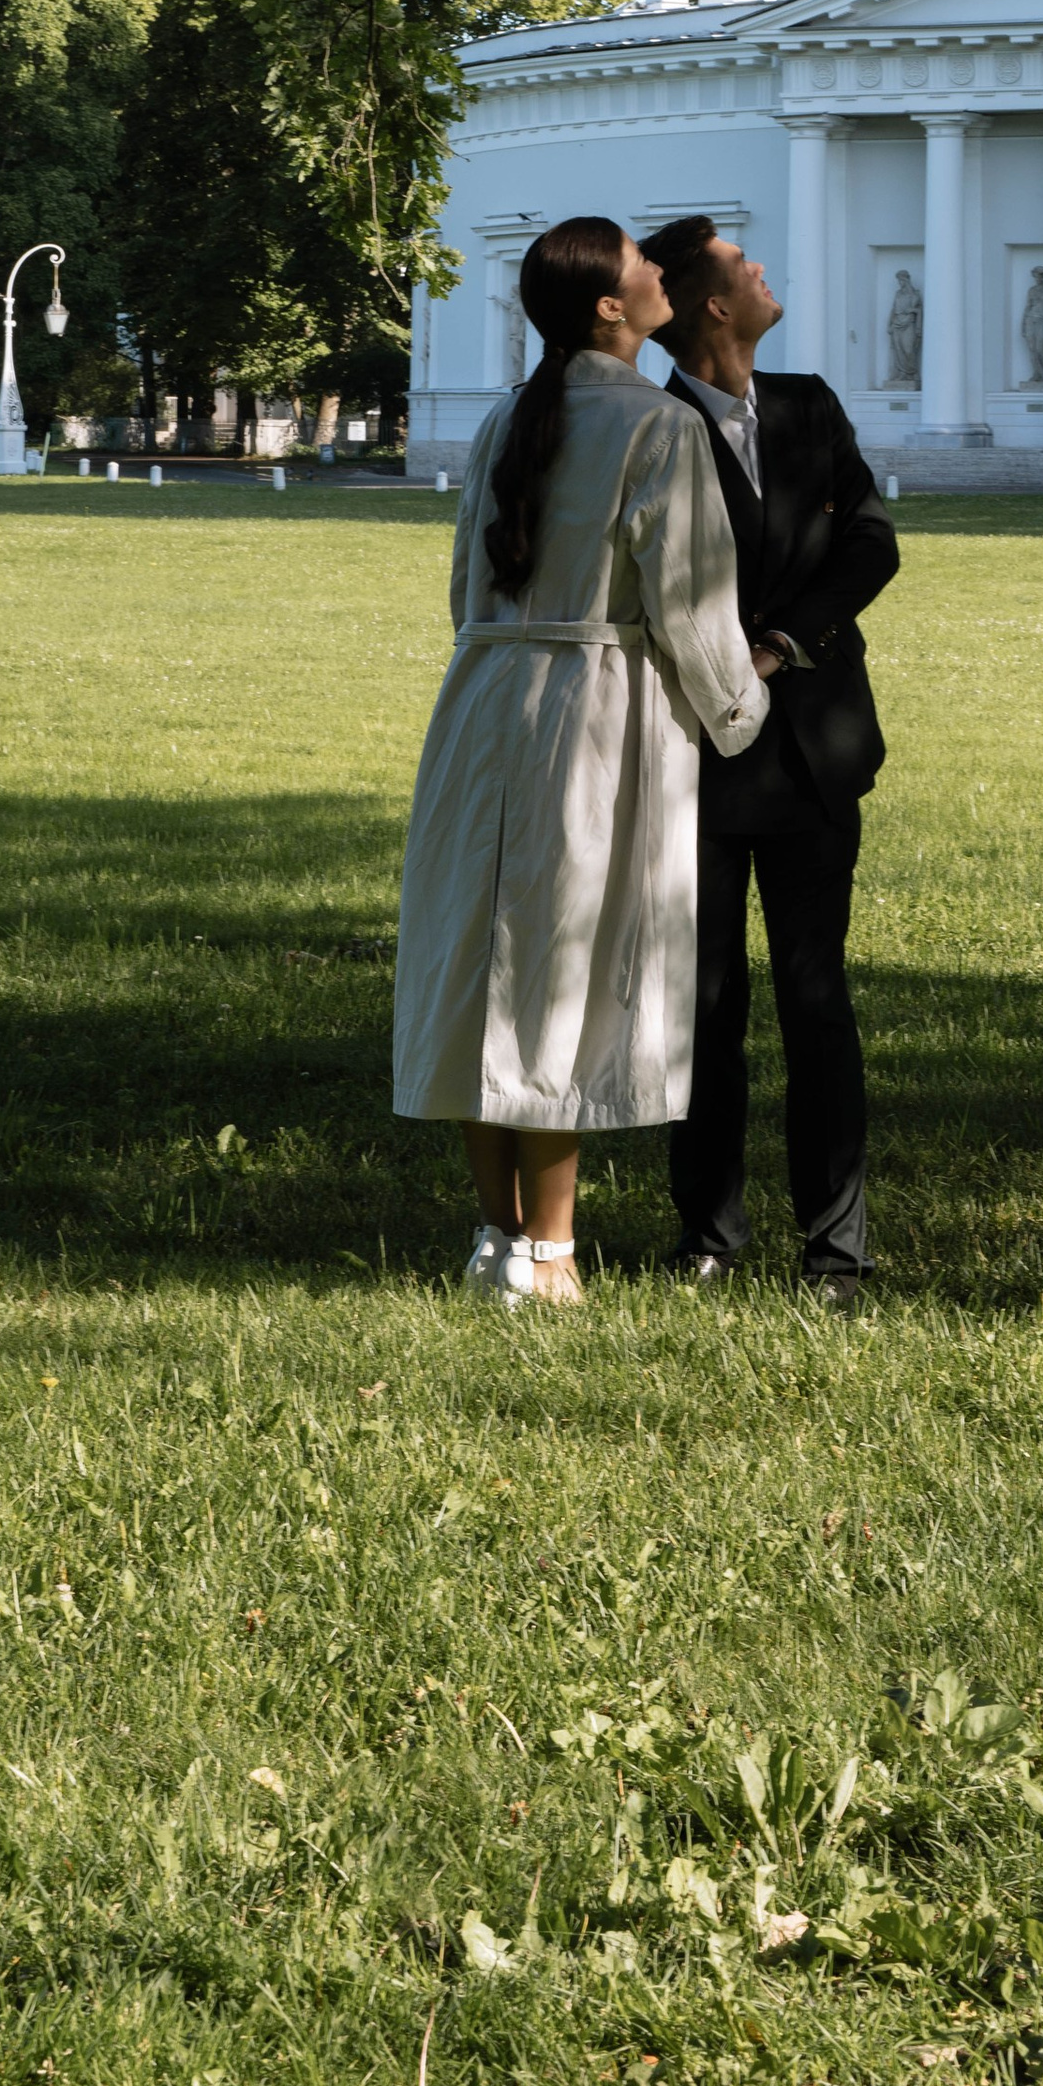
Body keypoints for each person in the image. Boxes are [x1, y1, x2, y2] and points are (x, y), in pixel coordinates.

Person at [391, 217, 776, 1306]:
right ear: (610, 305)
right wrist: (743, 710)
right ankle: (549, 1254)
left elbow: (466, 584)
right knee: (556, 962)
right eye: (643, 269)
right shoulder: (659, 426)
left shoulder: (507, 418)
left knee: (476, 956)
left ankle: (493, 1234)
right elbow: (692, 609)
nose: (662, 274)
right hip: (593, 709)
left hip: (482, 698)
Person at [637, 212, 900, 1306]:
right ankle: (707, 1234)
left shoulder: (808, 405)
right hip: (691, 754)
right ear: (713, 305)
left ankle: (834, 1250)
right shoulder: (649, 433)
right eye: (746, 268)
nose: (762, 273)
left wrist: (780, 638)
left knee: (815, 997)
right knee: (703, 1005)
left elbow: (871, 539)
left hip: (812, 753)